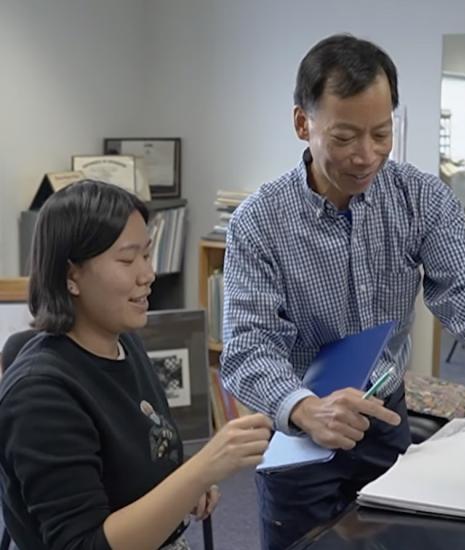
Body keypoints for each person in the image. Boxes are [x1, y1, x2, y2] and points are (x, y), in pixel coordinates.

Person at [221, 33, 465, 549]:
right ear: (303, 123)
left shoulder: (420, 197)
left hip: (386, 416)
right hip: (304, 433)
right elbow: (248, 348)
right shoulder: (258, 223)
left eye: (381, 133)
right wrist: (305, 410)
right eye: (345, 137)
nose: (366, 156)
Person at [0, 180, 272, 550]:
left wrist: (185, 483)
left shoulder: (124, 343)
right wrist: (199, 470)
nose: (148, 275)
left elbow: (145, 458)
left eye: (147, 255)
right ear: (70, 276)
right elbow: (83, 545)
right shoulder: (40, 395)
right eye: (128, 260)